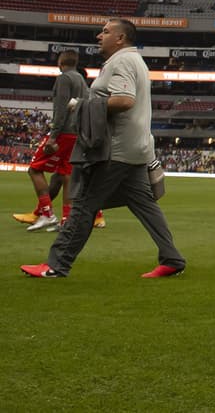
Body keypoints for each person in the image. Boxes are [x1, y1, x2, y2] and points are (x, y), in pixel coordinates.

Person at [20, 18, 186, 279]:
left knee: (83, 205)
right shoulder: (136, 61)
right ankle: (172, 258)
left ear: (120, 38)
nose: (99, 36)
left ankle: (56, 265)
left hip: (115, 149)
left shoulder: (121, 61)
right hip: (135, 148)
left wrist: (82, 105)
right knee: (144, 203)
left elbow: (124, 100)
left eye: (106, 32)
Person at [14, 50, 105, 232]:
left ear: (60, 62)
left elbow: (61, 108)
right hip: (76, 134)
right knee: (66, 175)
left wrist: (53, 136)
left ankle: (47, 214)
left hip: (63, 132)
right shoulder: (81, 79)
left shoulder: (64, 78)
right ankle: (66, 219)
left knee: (35, 169)